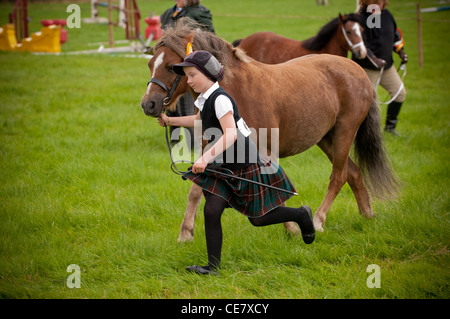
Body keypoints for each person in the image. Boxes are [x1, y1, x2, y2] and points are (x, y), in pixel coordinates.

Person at [157, 51, 315, 275]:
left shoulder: (220, 99)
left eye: (192, 75)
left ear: (208, 74)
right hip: (223, 164)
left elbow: (230, 134)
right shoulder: (206, 98)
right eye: (187, 76)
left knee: (258, 219)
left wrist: (204, 158)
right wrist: (170, 120)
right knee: (212, 210)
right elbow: (201, 120)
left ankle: (301, 215)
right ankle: (213, 267)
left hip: (243, 162)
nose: (189, 80)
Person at [160, 1, 215, 147]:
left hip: (191, 65)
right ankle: (175, 142)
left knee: (188, 106)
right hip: (172, 66)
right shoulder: (167, 13)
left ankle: (193, 144)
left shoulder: (200, 12)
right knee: (172, 107)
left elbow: (210, 37)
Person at [352, 0, 408, 136]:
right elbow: (362, 45)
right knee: (368, 103)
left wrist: (401, 52)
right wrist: (374, 60)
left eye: (380, 2)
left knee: (400, 93)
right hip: (368, 68)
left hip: (387, 67)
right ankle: (361, 132)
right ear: (366, 3)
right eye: (374, 2)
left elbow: (395, 35)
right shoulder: (361, 19)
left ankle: (390, 128)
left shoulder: (387, 15)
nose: (378, 5)